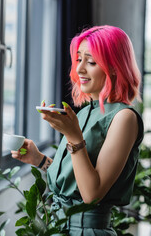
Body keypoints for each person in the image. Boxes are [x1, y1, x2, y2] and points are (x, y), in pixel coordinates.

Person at [11, 25, 144, 236]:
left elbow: (91, 195)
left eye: (91, 62)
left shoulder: (124, 118)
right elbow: (76, 181)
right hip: (57, 227)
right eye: (78, 59)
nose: (80, 69)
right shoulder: (82, 114)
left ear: (114, 67)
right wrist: (39, 160)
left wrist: (73, 136)